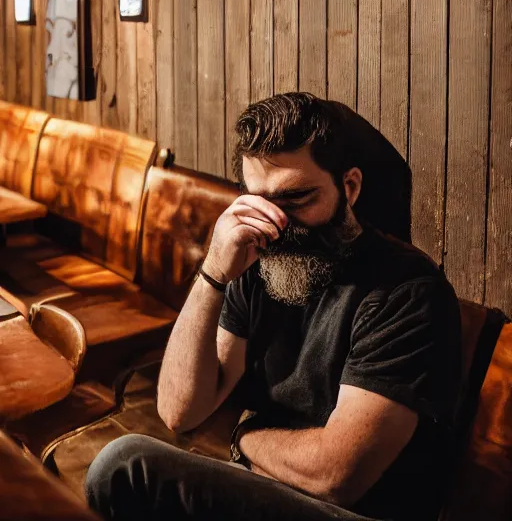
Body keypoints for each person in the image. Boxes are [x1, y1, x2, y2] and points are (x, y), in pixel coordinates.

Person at [85, 92, 462, 521]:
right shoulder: (258, 261)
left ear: (350, 187)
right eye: (259, 201)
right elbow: (180, 410)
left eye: (297, 199)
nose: (275, 224)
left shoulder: (407, 291)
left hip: (357, 511)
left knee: (126, 466)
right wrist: (212, 274)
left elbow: (336, 476)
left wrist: (244, 436)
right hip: (270, 483)